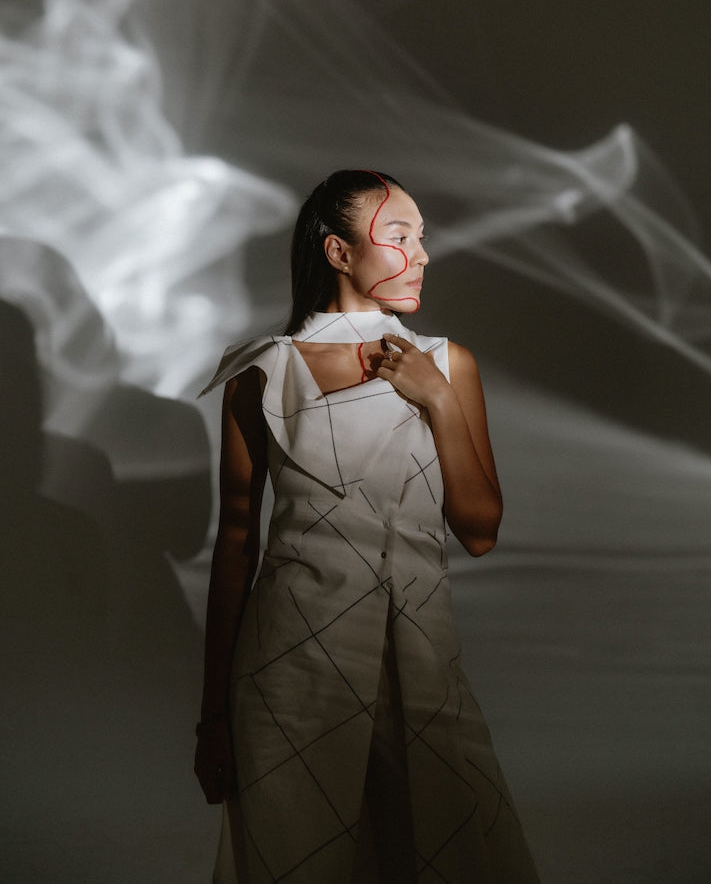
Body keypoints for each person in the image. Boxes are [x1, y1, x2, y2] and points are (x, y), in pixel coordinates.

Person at [194, 170, 540, 883]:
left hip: (420, 660)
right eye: (400, 236)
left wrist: (439, 399)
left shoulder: (446, 364)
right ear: (339, 252)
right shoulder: (262, 372)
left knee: (446, 849)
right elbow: (235, 546)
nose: (422, 254)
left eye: (422, 237)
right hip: (288, 670)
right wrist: (213, 718)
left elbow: (479, 530)